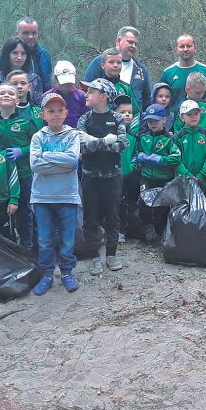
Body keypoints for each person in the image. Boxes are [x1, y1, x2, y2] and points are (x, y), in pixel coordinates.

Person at [30, 93, 82, 295]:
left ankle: (67, 272)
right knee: (44, 238)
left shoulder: (72, 135)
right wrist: (60, 162)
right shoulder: (38, 137)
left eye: (60, 110)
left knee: (67, 238)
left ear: (66, 113)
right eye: (50, 111)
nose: (56, 114)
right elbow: (35, 165)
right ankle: (46, 275)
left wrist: (47, 156)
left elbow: (72, 161)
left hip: (67, 196)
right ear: (43, 114)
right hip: (42, 197)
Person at [77, 79, 129, 274]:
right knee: (90, 219)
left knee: (113, 217)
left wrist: (94, 142)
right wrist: (105, 141)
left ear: (104, 96)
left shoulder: (117, 119)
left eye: (91, 91)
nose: (86, 94)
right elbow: (82, 147)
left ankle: (112, 254)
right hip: (90, 177)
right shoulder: (84, 119)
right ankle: (94, 257)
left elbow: (122, 146)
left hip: (112, 176)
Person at [0, 82, 38, 249]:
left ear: (17, 100)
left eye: (11, 93)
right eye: (2, 93)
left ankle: (27, 248)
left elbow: (37, 145)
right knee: (3, 214)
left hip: (23, 175)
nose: (6, 95)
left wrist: (22, 151)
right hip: (0, 177)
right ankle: (7, 249)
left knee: (24, 212)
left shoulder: (26, 123)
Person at [158, 34, 206, 147]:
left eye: (189, 46)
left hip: (200, 126)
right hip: (175, 129)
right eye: (181, 46)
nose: (185, 49)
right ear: (176, 50)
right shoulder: (168, 73)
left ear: (195, 48)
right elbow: (160, 103)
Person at [135, 104, 182, 242]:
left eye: (156, 120)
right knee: (143, 202)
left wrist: (161, 159)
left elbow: (177, 157)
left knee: (162, 207)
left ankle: (161, 232)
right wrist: (139, 157)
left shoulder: (169, 139)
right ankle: (148, 229)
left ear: (164, 120)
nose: (152, 123)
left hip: (163, 178)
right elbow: (135, 153)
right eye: (149, 121)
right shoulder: (143, 138)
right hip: (146, 177)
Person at [84, 26, 152, 108]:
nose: (133, 46)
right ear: (118, 41)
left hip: (133, 118)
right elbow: (87, 91)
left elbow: (147, 99)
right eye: (130, 42)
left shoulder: (140, 69)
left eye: (136, 44)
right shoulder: (99, 61)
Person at [114, 94, 140, 242]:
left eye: (129, 112)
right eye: (122, 112)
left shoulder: (133, 136)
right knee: (113, 203)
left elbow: (136, 154)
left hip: (128, 175)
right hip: (113, 174)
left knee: (125, 202)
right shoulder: (111, 135)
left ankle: (123, 230)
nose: (127, 115)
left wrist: (131, 167)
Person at [175, 100, 206, 194]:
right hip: (184, 181)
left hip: (202, 180)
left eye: (196, 113)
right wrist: (187, 174)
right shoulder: (178, 138)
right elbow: (176, 159)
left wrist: (202, 174)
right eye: (189, 114)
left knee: (201, 206)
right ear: (182, 117)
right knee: (185, 207)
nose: (193, 117)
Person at [42, 60, 88, 129]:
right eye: (63, 83)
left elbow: (86, 119)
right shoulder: (47, 96)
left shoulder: (81, 96)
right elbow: (44, 121)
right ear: (55, 79)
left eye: (68, 83)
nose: (65, 86)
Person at [98, 47, 141, 115]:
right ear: (103, 65)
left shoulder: (126, 88)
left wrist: (129, 125)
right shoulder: (96, 87)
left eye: (119, 62)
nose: (115, 65)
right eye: (111, 62)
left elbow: (136, 113)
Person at [14, 16, 52, 82]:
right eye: (26, 33)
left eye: (34, 33)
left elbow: (48, 83)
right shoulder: (8, 55)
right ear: (17, 34)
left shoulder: (45, 55)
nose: (30, 37)